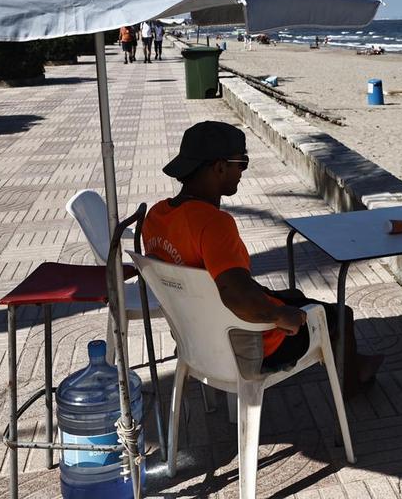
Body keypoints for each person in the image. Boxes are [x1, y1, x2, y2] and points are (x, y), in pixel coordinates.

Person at [142, 121, 383, 390]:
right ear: (220, 167)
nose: (243, 172)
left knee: (295, 296)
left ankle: (352, 363)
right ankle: (352, 384)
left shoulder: (156, 216)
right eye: (241, 163)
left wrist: (280, 304)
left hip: (198, 338)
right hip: (251, 344)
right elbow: (236, 295)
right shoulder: (213, 224)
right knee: (341, 315)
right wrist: (278, 315)